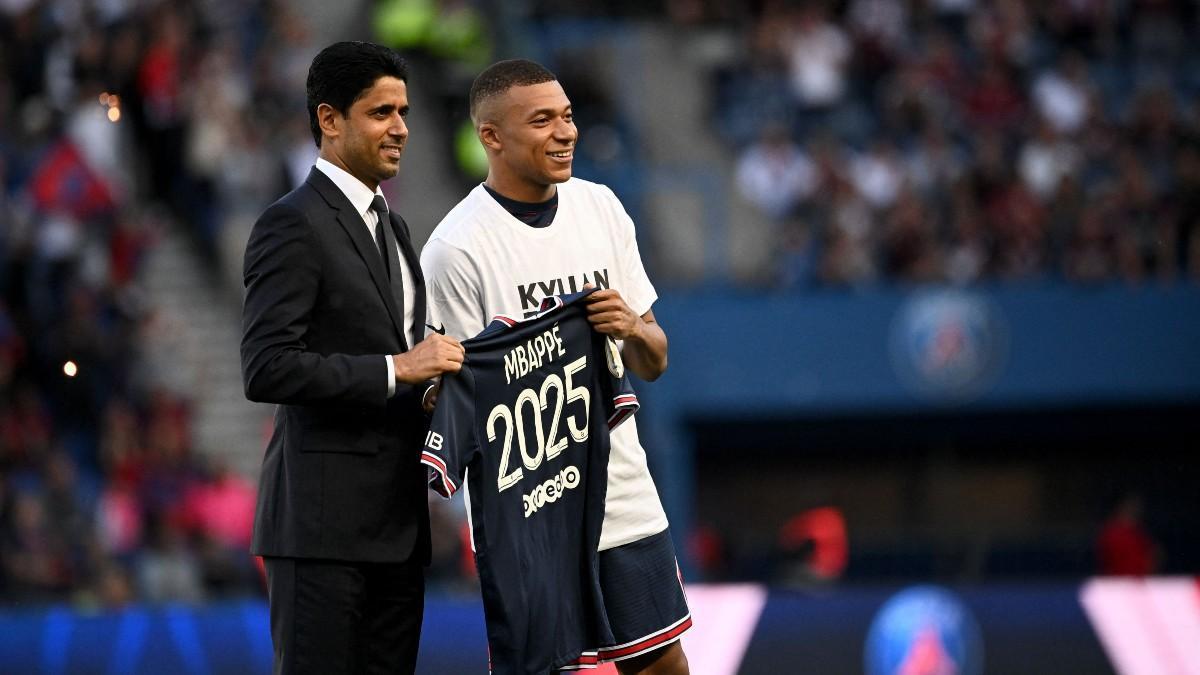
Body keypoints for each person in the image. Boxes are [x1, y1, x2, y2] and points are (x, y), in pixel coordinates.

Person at [421, 59, 691, 675]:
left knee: (663, 665)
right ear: (491, 137)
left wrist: (632, 328)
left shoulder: (601, 209)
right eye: (541, 120)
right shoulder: (456, 249)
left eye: (567, 117)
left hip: (622, 490)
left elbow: (655, 360)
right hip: (530, 510)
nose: (565, 132)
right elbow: (454, 395)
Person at [240, 41, 465, 674]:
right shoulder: (290, 223)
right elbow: (266, 366)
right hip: (319, 531)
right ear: (329, 119)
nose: (401, 128)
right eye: (381, 112)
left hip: (397, 526)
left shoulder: (393, 227)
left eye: (404, 111)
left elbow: (400, 358)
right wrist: (400, 370)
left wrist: (433, 390)